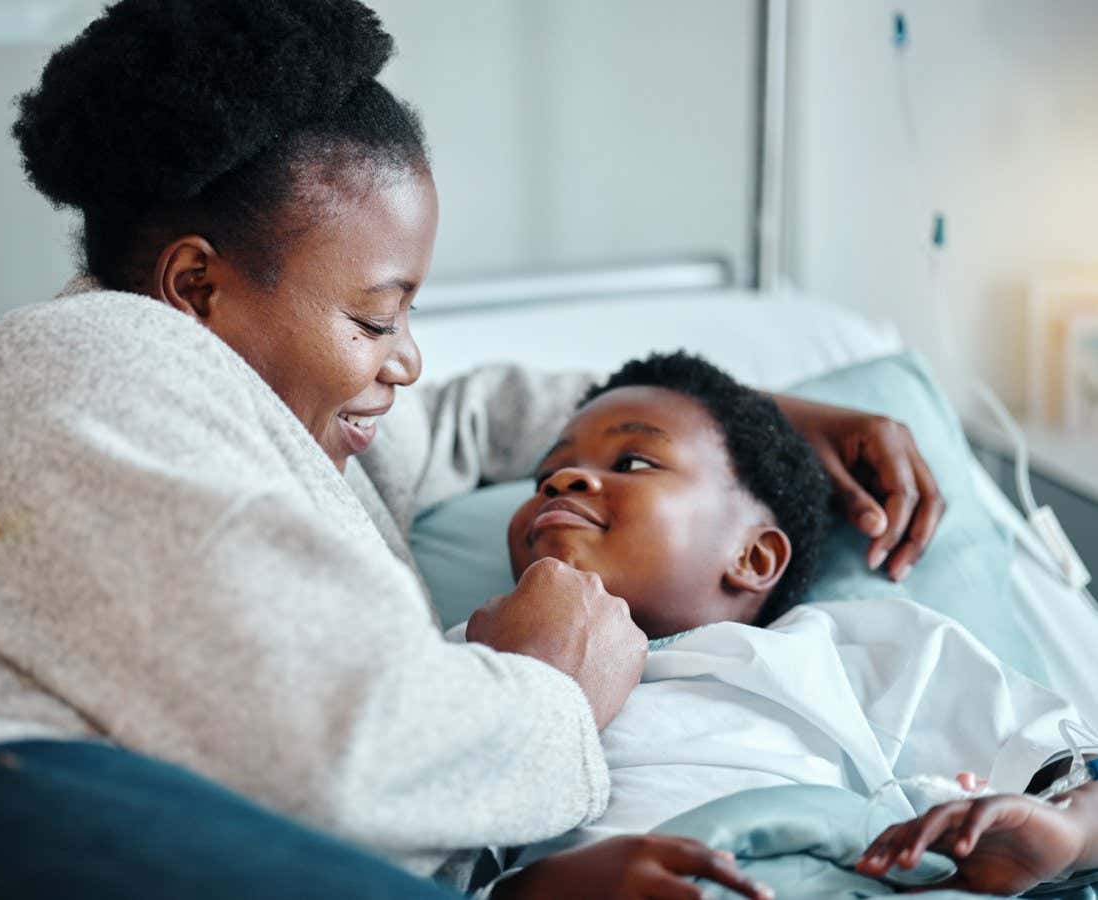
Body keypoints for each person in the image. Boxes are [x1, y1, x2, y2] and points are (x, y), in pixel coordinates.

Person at [0, 2, 947, 897]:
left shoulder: (295, 421)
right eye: (375, 320)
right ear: (196, 288)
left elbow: (480, 416)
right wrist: (551, 688)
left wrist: (755, 415)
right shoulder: (82, 367)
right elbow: (338, 750)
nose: (405, 360)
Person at [456, 351, 1097, 898]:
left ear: (754, 557)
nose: (562, 482)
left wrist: (1067, 835)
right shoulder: (469, 652)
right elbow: (423, 844)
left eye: (634, 463)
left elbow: (1076, 777)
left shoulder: (855, 650)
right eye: (544, 478)